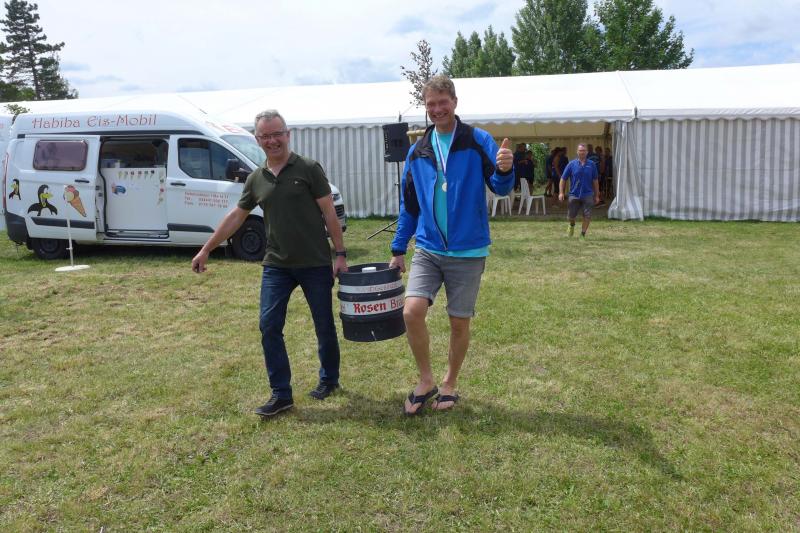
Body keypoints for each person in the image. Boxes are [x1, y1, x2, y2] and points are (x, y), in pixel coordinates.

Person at [191, 109, 348, 418]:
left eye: (277, 134)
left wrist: (340, 254)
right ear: (258, 140)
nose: (273, 141)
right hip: (276, 264)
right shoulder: (256, 178)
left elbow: (329, 212)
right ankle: (281, 393)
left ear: (287, 135)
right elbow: (237, 216)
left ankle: (329, 379)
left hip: (314, 262)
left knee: (323, 325)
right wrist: (207, 248)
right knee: (269, 325)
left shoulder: (308, 168)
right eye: (266, 136)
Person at [388, 75, 514, 415]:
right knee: (411, 312)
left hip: (468, 251)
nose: (437, 109)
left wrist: (505, 169)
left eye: (443, 102)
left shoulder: (477, 140)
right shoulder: (418, 151)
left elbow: (500, 187)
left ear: (455, 102)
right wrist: (398, 249)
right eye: (431, 104)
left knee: (459, 322)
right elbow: (410, 205)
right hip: (428, 249)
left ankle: (450, 383)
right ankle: (426, 379)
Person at [559, 143, 600, 239]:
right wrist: (561, 192)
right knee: (571, 216)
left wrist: (597, 195)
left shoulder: (592, 164)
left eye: (584, 151)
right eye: (580, 151)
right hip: (574, 194)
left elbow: (595, 181)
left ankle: (582, 234)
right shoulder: (571, 164)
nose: (582, 152)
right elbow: (563, 179)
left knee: (587, 215)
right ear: (577, 152)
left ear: (587, 152)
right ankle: (572, 225)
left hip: (588, 194)